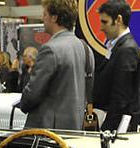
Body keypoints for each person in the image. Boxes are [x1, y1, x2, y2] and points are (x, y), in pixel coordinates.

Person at [17, 0, 89, 131]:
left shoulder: (50, 49)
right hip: (75, 127)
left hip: (47, 130)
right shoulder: (85, 48)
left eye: (45, 14)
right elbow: (88, 89)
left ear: (54, 17)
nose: (42, 18)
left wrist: (23, 103)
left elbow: (33, 93)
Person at [92, 0, 140, 132]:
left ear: (118, 20)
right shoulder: (118, 47)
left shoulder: (127, 50)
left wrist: (107, 128)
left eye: (105, 22)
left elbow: (121, 97)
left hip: (116, 127)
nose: (101, 28)